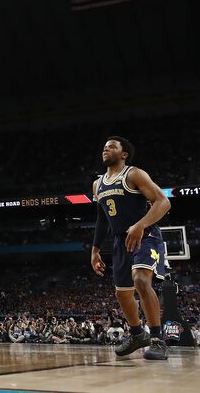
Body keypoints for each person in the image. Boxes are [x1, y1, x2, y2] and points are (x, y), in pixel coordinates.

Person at [91, 136, 171, 360]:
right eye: (104, 146)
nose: (106, 149)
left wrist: (140, 225)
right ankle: (137, 334)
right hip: (120, 240)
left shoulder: (134, 174)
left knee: (141, 280)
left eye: (112, 147)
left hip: (145, 235)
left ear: (124, 154)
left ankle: (157, 339)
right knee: (122, 293)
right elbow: (101, 219)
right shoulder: (98, 184)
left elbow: (163, 202)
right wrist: (95, 250)